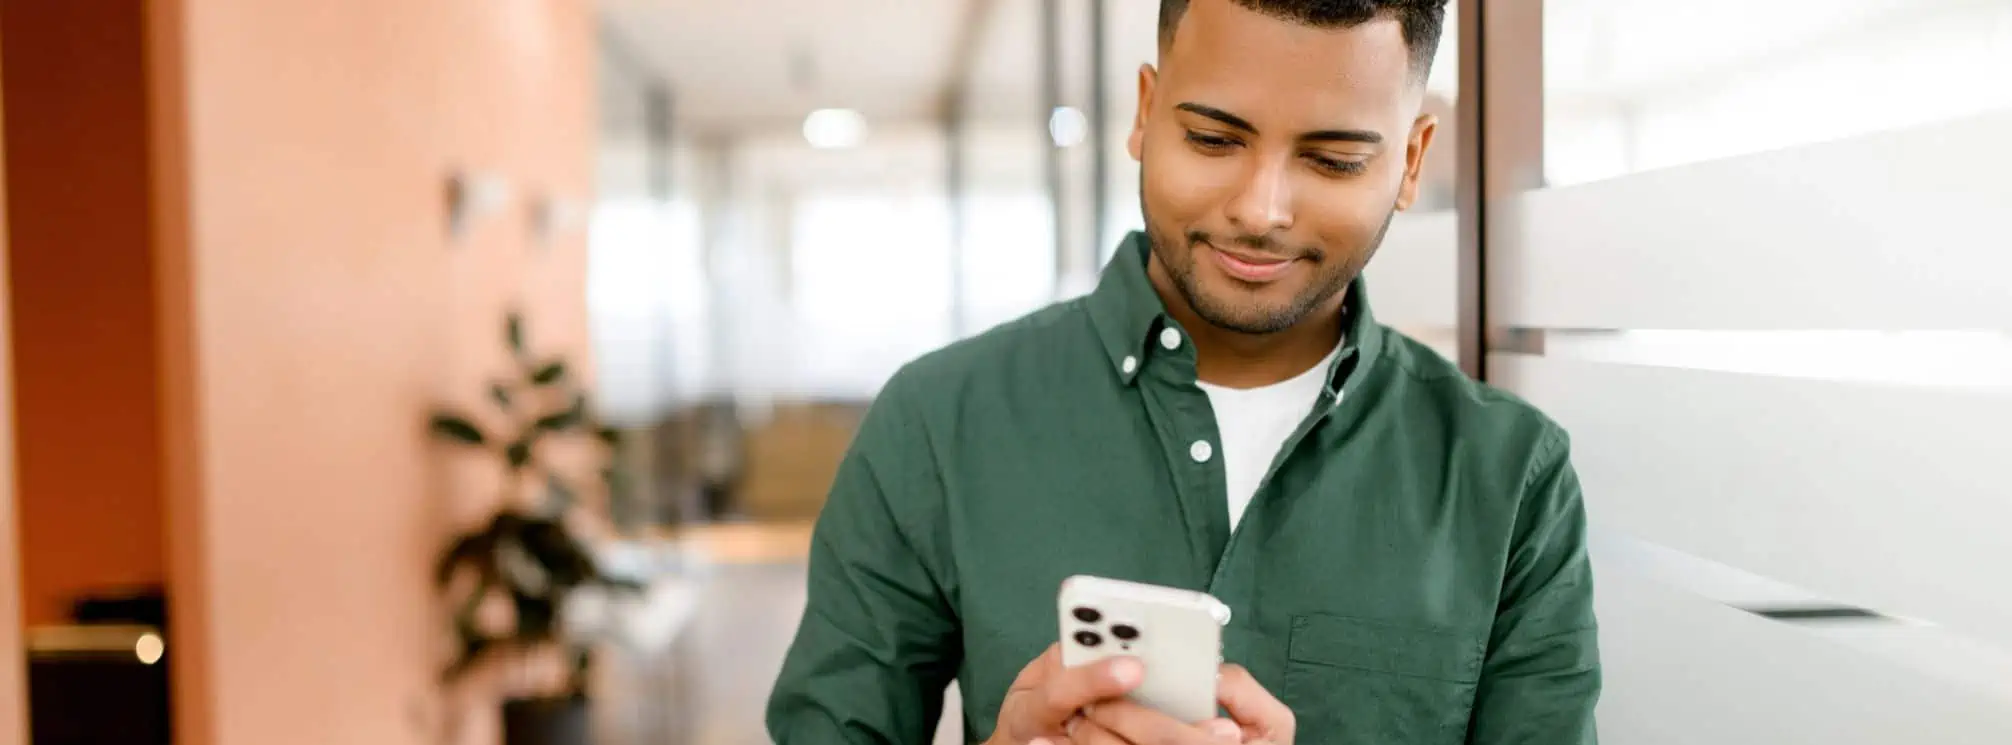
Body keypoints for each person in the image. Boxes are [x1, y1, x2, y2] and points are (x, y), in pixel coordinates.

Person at [766, 0, 1600, 742]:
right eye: (1212, 138)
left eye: (1334, 159)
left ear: (1411, 162)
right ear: (1144, 112)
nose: (1260, 208)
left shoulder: (1512, 476)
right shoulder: (937, 422)